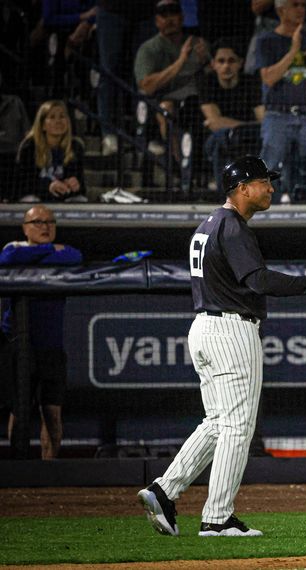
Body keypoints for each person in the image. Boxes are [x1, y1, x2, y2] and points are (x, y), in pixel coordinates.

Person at [137, 156, 306, 537]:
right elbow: (259, 281)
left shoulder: (210, 224)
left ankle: (164, 490)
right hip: (230, 329)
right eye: (265, 182)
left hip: (204, 326)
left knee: (217, 422)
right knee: (237, 427)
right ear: (243, 187)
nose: (271, 189)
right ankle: (217, 518)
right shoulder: (232, 226)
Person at [1, 206, 83, 459]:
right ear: (25, 227)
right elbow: (9, 259)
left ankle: (50, 471)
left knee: (52, 415)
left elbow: (75, 257)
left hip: (52, 348)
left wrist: (37, 254)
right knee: (19, 409)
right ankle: (17, 467)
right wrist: (49, 251)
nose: (45, 226)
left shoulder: (64, 252)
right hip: (20, 346)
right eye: (37, 222)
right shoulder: (12, 248)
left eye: (50, 222)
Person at [257, 0, 306, 201]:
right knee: (269, 169)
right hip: (277, 116)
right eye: (295, 5)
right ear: (281, 11)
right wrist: (294, 50)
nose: (301, 10)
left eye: (303, 5)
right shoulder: (266, 40)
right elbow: (268, 78)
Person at [133, 0, 210, 155]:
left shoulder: (197, 44)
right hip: (163, 100)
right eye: (164, 16)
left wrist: (207, 63)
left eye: (173, 15)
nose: (169, 20)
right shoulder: (149, 49)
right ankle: (179, 165)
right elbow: (147, 86)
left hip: (196, 99)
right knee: (166, 108)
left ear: (182, 17)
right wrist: (181, 60)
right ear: (156, 21)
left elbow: (214, 76)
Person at [199, 38, 265, 193]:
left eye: (231, 61)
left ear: (240, 63)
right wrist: (246, 126)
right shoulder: (207, 83)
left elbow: (263, 120)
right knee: (221, 136)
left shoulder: (250, 83)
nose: (226, 66)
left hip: (248, 138)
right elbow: (215, 123)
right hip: (215, 141)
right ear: (213, 64)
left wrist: (235, 126)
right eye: (221, 61)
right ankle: (224, 188)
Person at [97, 0, 157, 156]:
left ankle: (143, 134)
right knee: (109, 73)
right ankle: (108, 133)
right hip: (111, 10)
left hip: (146, 13)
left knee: (144, 75)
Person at [14, 100, 86, 203]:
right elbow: (22, 185)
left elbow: (82, 188)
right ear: (42, 125)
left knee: (79, 200)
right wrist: (48, 186)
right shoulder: (29, 147)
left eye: (62, 116)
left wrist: (74, 184)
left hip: (63, 198)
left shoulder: (75, 146)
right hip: (36, 198)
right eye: (52, 117)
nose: (58, 121)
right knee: (31, 200)